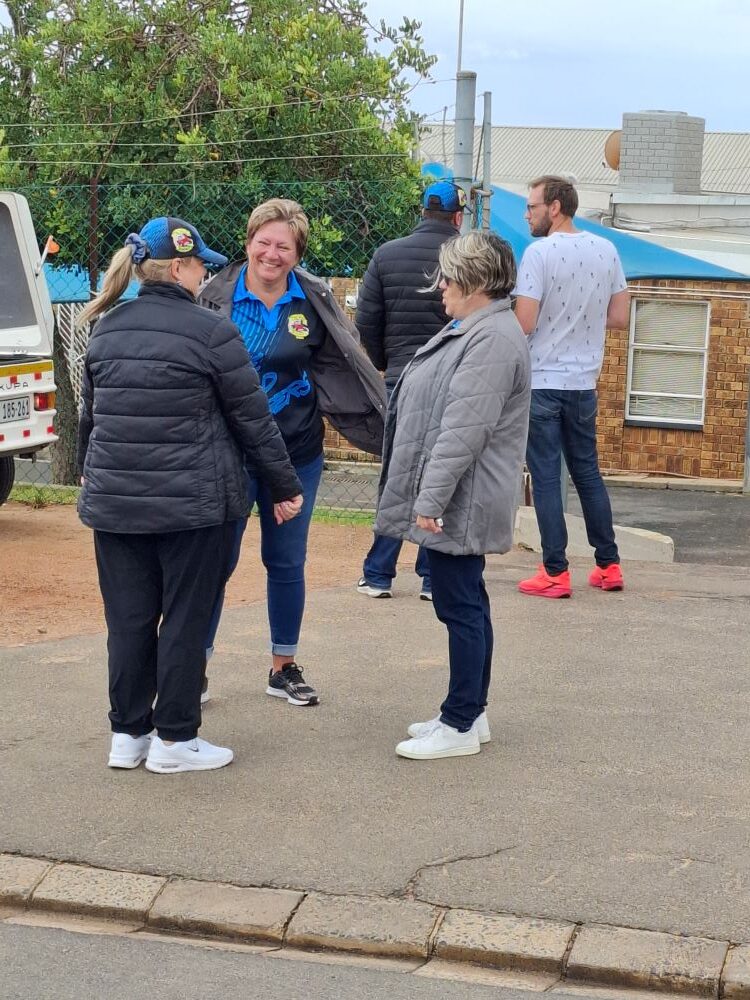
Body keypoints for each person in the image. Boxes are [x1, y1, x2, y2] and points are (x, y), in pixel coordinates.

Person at [76, 217, 303, 773]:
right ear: (178, 268)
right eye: (200, 262)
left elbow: (91, 418)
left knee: (128, 620)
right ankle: (175, 740)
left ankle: (127, 736)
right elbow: (253, 418)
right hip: (193, 505)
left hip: (117, 504)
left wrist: (92, 473)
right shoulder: (211, 331)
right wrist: (285, 485)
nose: (206, 270)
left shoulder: (106, 327)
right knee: (183, 617)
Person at [199, 198, 385, 707]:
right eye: (264, 241)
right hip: (229, 453)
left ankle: (283, 666)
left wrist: (371, 416)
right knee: (213, 563)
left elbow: (344, 362)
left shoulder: (313, 300)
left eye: (284, 245)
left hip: (296, 450)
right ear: (248, 240)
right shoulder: (213, 296)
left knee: (286, 561)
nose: (272, 254)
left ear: (297, 251)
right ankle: (193, 668)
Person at [375, 231, 531, 761]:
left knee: (459, 604)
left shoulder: (489, 339)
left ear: (475, 280)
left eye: (448, 276)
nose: (440, 286)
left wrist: (430, 500)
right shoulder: (479, 329)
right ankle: (470, 711)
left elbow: (463, 430)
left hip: (461, 499)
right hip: (460, 497)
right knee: (465, 602)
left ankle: (461, 720)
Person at [514, 175, 631, 599]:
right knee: (587, 473)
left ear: (555, 207)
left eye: (532, 206)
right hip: (585, 384)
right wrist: (580, 319)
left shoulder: (539, 253)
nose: (527, 214)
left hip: (543, 381)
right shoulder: (607, 249)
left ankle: (555, 571)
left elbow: (525, 322)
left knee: (545, 476)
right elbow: (619, 317)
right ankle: (608, 564)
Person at [355, 180, 466, 601]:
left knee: (399, 471)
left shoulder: (387, 254)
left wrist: (387, 361)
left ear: (421, 212)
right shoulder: (468, 257)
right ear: (458, 217)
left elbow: (366, 320)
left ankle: (379, 573)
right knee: (445, 471)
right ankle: (432, 577)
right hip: (456, 376)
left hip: (402, 374)